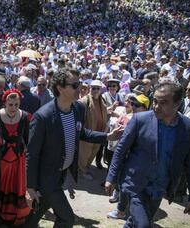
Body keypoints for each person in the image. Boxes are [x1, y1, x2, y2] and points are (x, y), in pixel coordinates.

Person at [25, 68, 122, 227]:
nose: (80, 88)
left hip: (61, 174)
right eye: (75, 85)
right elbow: (32, 154)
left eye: (80, 84)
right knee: (66, 218)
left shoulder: (78, 108)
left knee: (38, 211)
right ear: (60, 88)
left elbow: (80, 132)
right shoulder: (42, 117)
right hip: (46, 178)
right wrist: (30, 188)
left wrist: (106, 137)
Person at [105, 80, 190, 227]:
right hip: (135, 184)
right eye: (155, 101)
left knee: (135, 222)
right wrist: (111, 177)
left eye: (163, 103)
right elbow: (121, 149)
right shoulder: (140, 120)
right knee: (143, 225)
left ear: (177, 104)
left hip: (159, 188)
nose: (156, 107)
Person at [106, 94, 150, 219]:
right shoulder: (132, 118)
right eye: (133, 104)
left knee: (127, 186)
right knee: (123, 185)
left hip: (136, 162)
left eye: (137, 105)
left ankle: (122, 211)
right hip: (125, 158)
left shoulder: (147, 122)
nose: (133, 107)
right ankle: (122, 210)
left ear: (145, 108)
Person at [0, 88, 31, 226]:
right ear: (5, 103)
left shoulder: (24, 116)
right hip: (2, 158)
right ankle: (0, 213)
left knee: (18, 186)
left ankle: (17, 214)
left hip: (18, 158)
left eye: (16, 104)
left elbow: (27, 138)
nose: (13, 108)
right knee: (2, 185)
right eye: (10, 104)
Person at [78, 80, 108, 180]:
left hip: (99, 132)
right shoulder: (84, 101)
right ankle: (83, 170)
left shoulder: (102, 99)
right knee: (85, 153)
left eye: (97, 88)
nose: (95, 90)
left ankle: (86, 167)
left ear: (101, 90)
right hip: (88, 133)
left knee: (93, 152)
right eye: (93, 88)